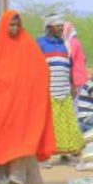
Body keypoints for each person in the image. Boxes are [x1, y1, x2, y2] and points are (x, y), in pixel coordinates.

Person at [0, 12, 57, 184]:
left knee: (23, 150)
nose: (14, 29)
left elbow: (41, 73)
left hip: (24, 112)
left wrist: (26, 98)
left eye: (17, 25)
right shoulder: (0, 49)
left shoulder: (28, 47)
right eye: (11, 25)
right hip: (4, 112)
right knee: (6, 150)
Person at [38, 14, 85, 158]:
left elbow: (69, 66)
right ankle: (45, 155)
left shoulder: (65, 45)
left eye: (61, 26)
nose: (60, 28)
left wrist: (72, 85)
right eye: (57, 26)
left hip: (64, 89)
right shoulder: (40, 43)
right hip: (48, 90)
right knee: (49, 124)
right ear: (49, 27)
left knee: (66, 122)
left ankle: (66, 153)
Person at [63, 21, 88, 95]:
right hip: (80, 77)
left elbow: (69, 58)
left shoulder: (72, 43)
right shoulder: (76, 42)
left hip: (76, 78)